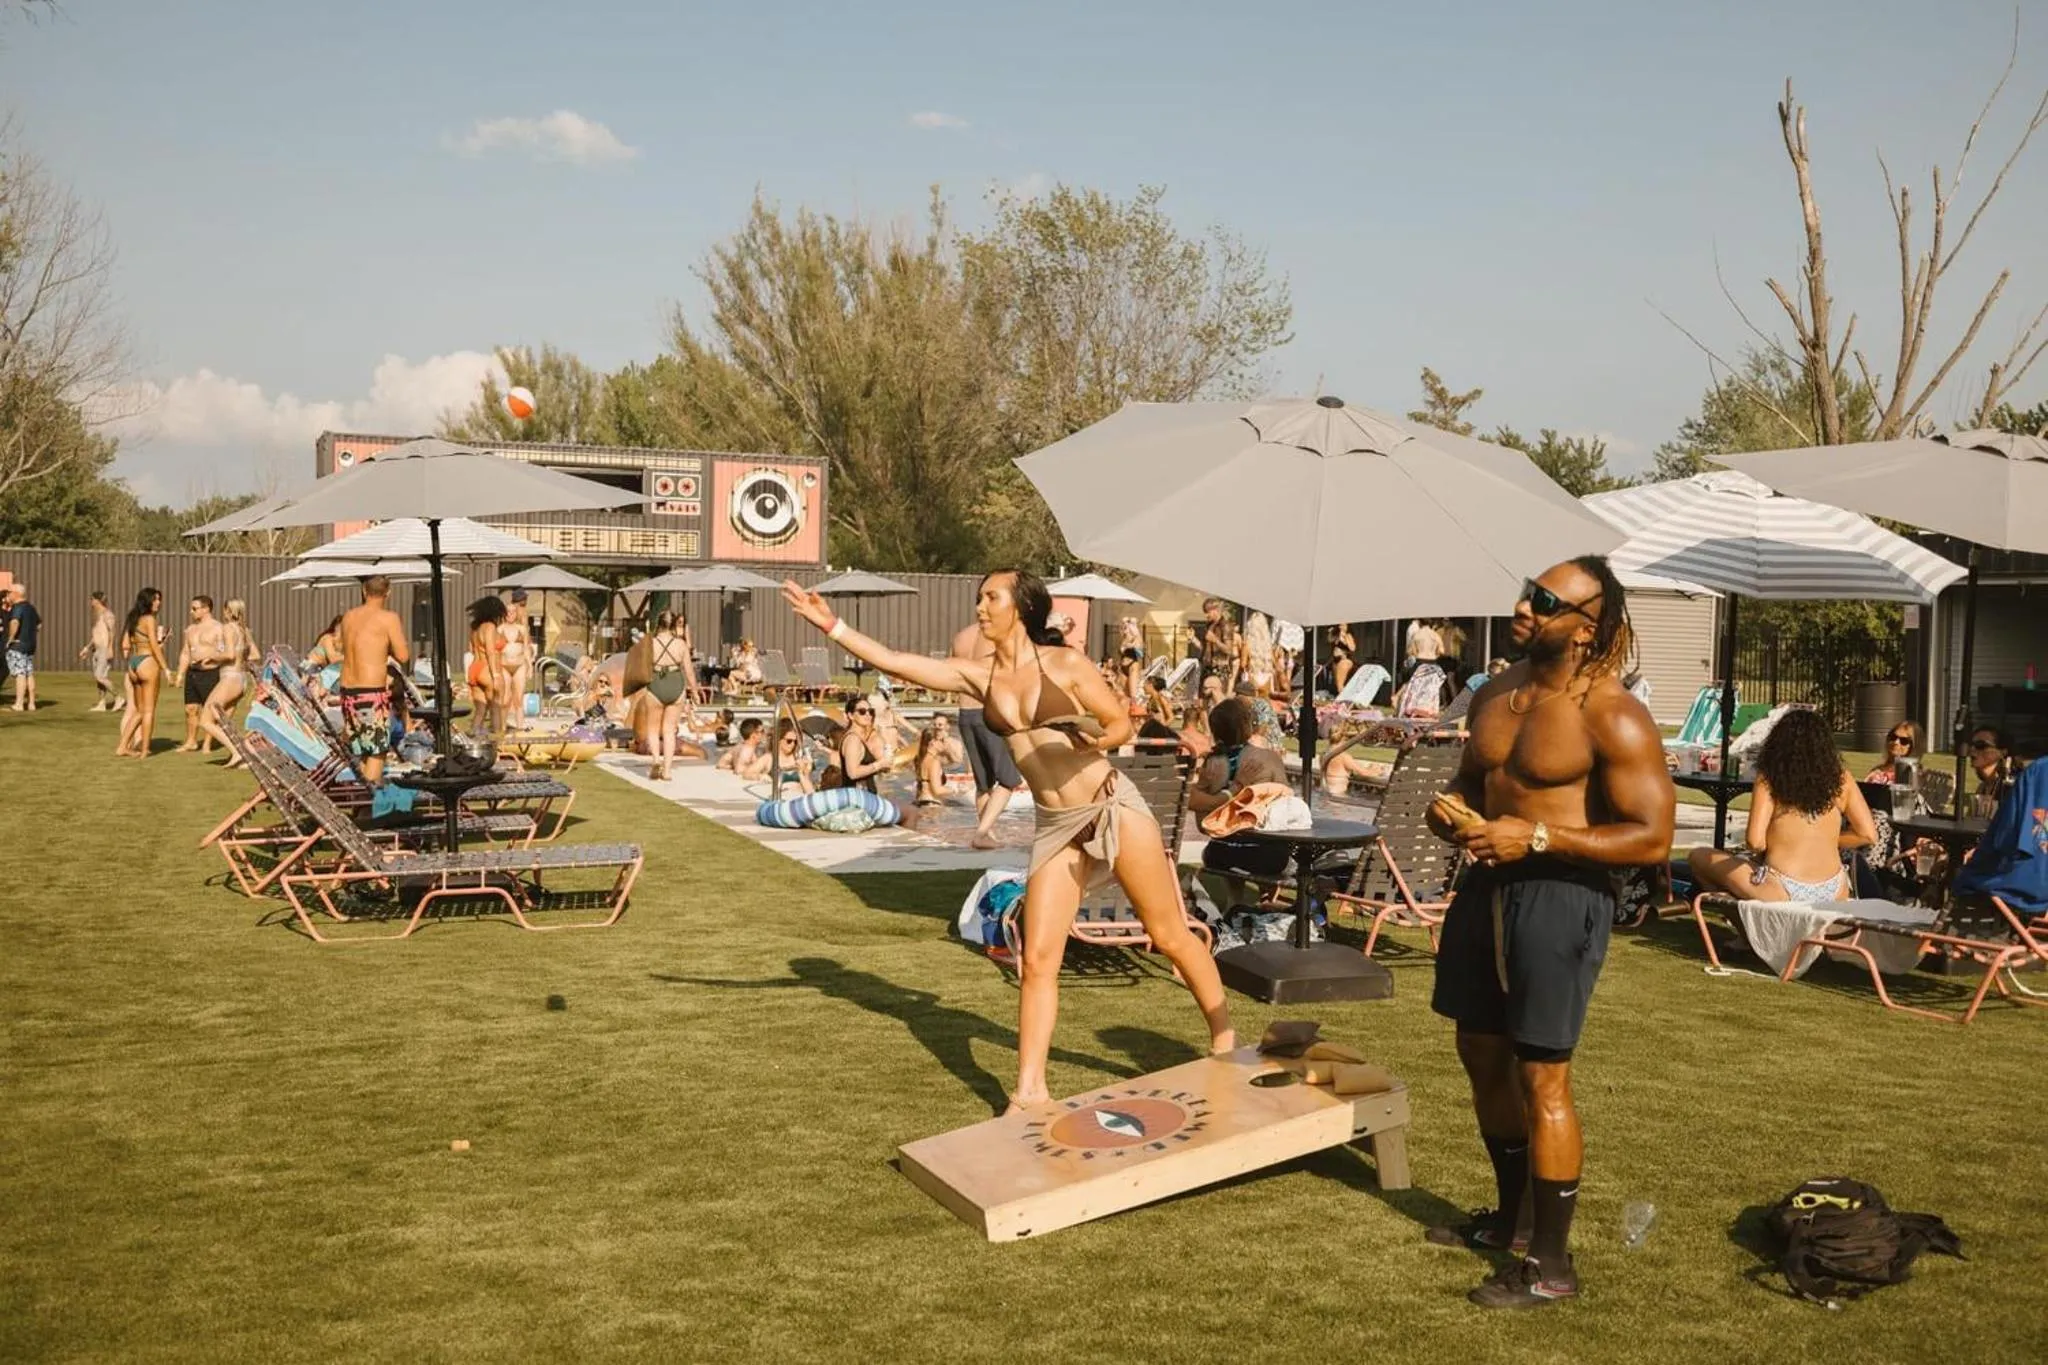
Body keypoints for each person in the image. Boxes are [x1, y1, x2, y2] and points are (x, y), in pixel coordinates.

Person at [784, 569, 1233, 1112]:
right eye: (978, 598)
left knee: (1168, 935)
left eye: (990, 597)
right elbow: (899, 662)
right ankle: (1029, 1091)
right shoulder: (980, 677)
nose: (979, 607)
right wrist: (832, 625)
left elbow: (1121, 727)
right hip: (1056, 825)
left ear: (1020, 606)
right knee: (1039, 957)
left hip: (1110, 805)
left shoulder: (1065, 664)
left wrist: (1087, 732)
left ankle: (1224, 1039)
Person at [1423, 557, 1675, 1308]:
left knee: (1543, 1075)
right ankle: (1513, 1221)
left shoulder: (1612, 711)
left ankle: (1552, 1266)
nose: (1522, 607)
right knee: (1479, 1049)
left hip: (1562, 893)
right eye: (1526, 592)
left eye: (1543, 600)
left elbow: (1653, 837)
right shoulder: (1497, 691)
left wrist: (1536, 839)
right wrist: (1454, 807)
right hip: (1486, 883)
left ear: (1587, 623)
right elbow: (1477, 782)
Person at [1686, 709, 1877, 904]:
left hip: (1780, 888)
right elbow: (1868, 835)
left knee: (1699, 856)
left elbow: (1755, 842)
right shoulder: (1842, 779)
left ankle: (1738, 919)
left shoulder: (1770, 779)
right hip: (1834, 889)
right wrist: (1827, 840)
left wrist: (1780, 842)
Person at [1191, 697, 1292, 908]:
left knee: (1232, 841)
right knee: (1273, 841)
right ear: (1247, 726)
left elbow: (1202, 823)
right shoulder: (1269, 759)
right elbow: (1286, 807)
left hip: (1221, 853)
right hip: (1266, 857)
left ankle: (1234, 901)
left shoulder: (1212, 763)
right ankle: (1267, 899)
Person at [951, 620, 1024, 851]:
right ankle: (982, 832)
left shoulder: (962, 635)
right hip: (988, 710)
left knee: (983, 784)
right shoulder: (1001, 632)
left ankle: (986, 835)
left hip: (965, 712)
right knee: (1009, 780)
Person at [338, 576, 411, 784]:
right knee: (378, 750)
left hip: (347, 692)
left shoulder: (348, 617)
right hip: (371, 693)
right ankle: (369, 803)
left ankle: (362, 804)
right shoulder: (388, 618)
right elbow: (403, 655)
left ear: (363, 590)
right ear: (388, 593)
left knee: (361, 749)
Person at [196, 599, 262, 758]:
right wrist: (241, 662)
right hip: (241, 679)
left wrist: (211, 657)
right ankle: (243, 753)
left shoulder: (227, 628)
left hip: (230, 678)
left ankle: (238, 753)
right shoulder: (244, 630)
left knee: (205, 720)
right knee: (225, 722)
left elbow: (229, 654)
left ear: (227, 611)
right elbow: (256, 655)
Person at [114, 589, 169, 757]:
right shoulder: (149, 619)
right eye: (155, 599)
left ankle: (122, 747)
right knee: (149, 711)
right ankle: (145, 750)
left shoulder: (133, 618)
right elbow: (153, 644)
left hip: (134, 664)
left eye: (159, 599)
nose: (158, 602)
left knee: (139, 711)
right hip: (147, 662)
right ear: (147, 601)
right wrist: (165, 668)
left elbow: (127, 642)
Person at [642, 611, 693, 780]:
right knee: (669, 731)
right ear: (673, 625)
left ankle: (656, 759)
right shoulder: (681, 645)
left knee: (653, 729)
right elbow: (689, 671)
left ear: (658, 623)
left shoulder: (650, 643)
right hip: (675, 683)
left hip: (656, 681)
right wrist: (696, 689)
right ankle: (668, 770)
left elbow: (642, 669)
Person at [173, 596, 228, 750]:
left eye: (194, 608)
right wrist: (179, 675)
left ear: (206, 609)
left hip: (210, 673)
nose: (191, 612)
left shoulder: (218, 628)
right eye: (191, 608)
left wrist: (212, 660)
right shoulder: (190, 629)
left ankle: (207, 743)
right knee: (190, 708)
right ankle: (191, 741)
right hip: (192, 672)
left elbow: (223, 652)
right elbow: (185, 653)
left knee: (210, 710)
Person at [465, 596, 510, 742]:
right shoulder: (490, 627)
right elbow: (491, 651)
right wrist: (496, 675)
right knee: (496, 707)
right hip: (488, 669)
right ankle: (498, 743)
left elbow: (471, 649)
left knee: (480, 711)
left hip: (475, 668)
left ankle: (472, 742)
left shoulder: (475, 628)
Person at [5, 581, 42, 712]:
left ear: (16, 593)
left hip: (18, 646)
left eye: (9, 592)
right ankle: (31, 703)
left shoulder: (17, 607)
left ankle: (19, 704)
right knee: (29, 673)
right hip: (30, 645)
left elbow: (15, 622)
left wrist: (10, 639)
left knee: (20, 674)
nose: (8, 594)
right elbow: (38, 625)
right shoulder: (31, 608)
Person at [914, 713, 965, 806]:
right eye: (935, 725)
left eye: (940, 725)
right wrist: (957, 789)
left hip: (922, 800)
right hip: (932, 802)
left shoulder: (922, 759)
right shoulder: (934, 761)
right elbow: (937, 790)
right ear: (932, 744)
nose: (937, 728)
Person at [81, 591, 119, 712]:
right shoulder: (97, 615)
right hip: (96, 650)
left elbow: (112, 632)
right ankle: (101, 704)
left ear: (97, 600)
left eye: (92, 599)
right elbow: (96, 635)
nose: (91, 602)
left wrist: (110, 648)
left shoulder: (108, 615)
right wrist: (87, 648)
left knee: (100, 677)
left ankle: (118, 698)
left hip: (104, 649)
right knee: (99, 679)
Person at [1966, 725, 2018, 815]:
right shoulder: (1982, 787)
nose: (1972, 749)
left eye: (1981, 745)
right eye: (1971, 745)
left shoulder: (2010, 788)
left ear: (2003, 752)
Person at [500, 589, 535, 721]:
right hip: (516, 649)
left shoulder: (509, 611)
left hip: (516, 651)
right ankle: (511, 717)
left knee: (510, 694)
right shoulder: (521, 612)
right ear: (522, 600)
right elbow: (525, 633)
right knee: (514, 695)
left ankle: (509, 718)